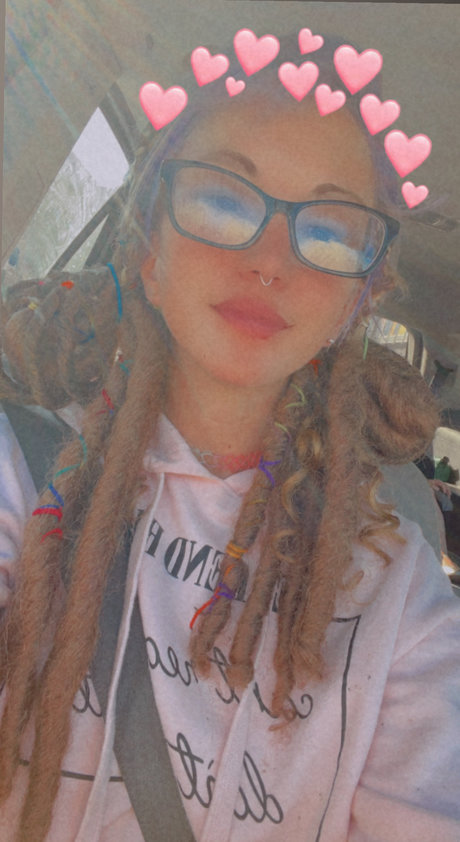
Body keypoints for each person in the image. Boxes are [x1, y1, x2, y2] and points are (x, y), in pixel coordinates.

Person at [1, 31, 460, 842]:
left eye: (330, 229)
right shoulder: (19, 472)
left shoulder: (400, 588)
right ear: (149, 251)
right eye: (222, 200)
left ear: (355, 303)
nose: (271, 262)